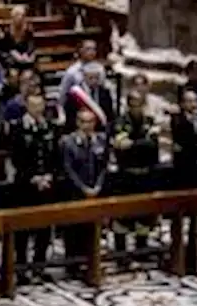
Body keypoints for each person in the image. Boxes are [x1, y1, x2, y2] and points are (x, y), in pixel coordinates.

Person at [10, 91, 57, 284]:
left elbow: (54, 155)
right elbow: (16, 158)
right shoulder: (18, 128)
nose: (38, 109)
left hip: (46, 185)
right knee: (23, 230)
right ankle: (21, 268)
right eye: (34, 106)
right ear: (27, 106)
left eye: (40, 106)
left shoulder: (49, 127)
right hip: (25, 186)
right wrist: (33, 177)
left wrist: (49, 175)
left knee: (44, 229)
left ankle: (39, 265)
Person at [60, 108, 108, 276]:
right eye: (84, 122)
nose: (88, 126)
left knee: (92, 229)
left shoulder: (100, 140)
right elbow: (68, 169)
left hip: (95, 190)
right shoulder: (68, 142)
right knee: (74, 230)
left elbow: (104, 166)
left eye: (91, 122)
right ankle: (72, 265)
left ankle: (91, 261)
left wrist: (98, 186)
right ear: (78, 123)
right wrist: (83, 188)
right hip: (75, 192)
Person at [111, 91, 159, 256]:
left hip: (145, 175)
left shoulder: (149, 121)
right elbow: (120, 145)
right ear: (128, 104)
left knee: (144, 217)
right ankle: (121, 254)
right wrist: (140, 144)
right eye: (133, 104)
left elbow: (152, 146)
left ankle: (142, 250)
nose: (136, 107)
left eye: (139, 103)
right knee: (123, 217)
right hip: (127, 176)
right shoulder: (120, 122)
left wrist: (133, 144)